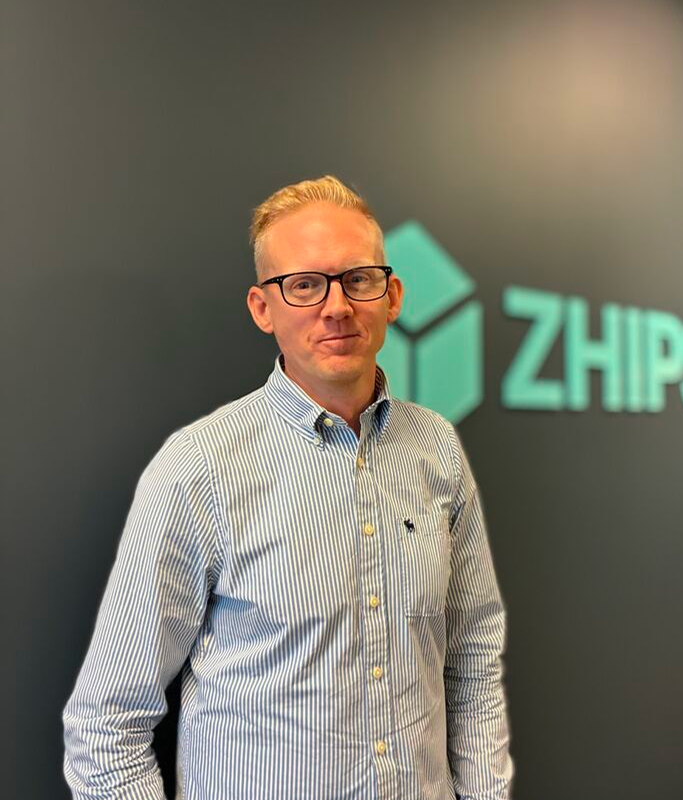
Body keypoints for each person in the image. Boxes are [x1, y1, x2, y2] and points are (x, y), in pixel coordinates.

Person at [63, 175, 513, 799]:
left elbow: (472, 664)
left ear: (392, 296)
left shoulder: (435, 447)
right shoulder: (200, 468)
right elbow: (106, 727)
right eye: (304, 285)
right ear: (262, 308)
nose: (337, 307)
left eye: (358, 279)